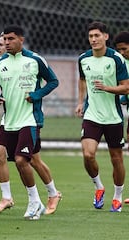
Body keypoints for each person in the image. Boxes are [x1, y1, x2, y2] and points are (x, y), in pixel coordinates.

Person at [0, 25, 59, 220]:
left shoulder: (35, 60)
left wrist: (36, 95)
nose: (7, 43)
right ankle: (20, 198)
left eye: (11, 39)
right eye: (5, 39)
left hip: (30, 119)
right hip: (9, 120)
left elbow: (53, 81)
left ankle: (35, 200)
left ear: (21, 39)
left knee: (22, 160)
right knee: (2, 156)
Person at [75, 22, 129, 212]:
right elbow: (82, 80)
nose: (93, 39)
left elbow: (126, 86)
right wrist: (80, 102)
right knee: (88, 154)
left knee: (117, 159)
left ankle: (117, 196)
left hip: (113, 117)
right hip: (92, 115)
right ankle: (99, 187)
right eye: (90, 36)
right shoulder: (83, 59)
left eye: (97, 35)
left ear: (105, 37)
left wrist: (107, 88)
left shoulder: (116, 59)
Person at [112, 31, 129, 204]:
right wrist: (123, 98)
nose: (122, 53)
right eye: (119, 50)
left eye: (124, 49)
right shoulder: (122, 63)